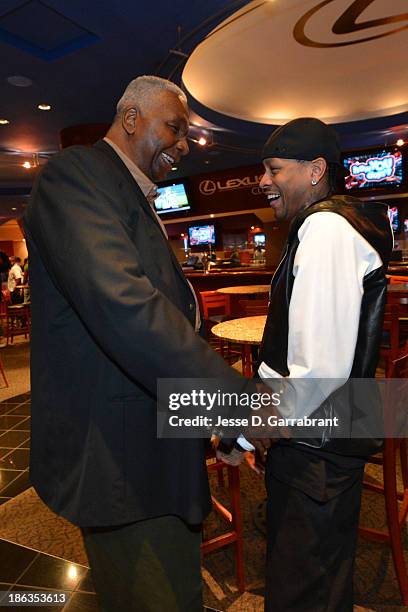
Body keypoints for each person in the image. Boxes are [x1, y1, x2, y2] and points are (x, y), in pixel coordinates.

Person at [24, 75, 246, 612]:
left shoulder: (132, 192)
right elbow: (128, 311)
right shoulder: (74, 176)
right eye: (174, 128)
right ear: (131, 119)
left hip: (155, 440)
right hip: (120, 461)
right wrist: (241, 406)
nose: (185, 145)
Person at [220, 118, 393, 611]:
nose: (263, 180)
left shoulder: (326, 228)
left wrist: (249, 433)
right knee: (313, 579)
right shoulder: (326, 227)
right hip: (318, 439)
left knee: (305, 590)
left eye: (274, 168)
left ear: (315, 170)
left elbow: (316, 375)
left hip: (318, 446)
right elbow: (291, 354)